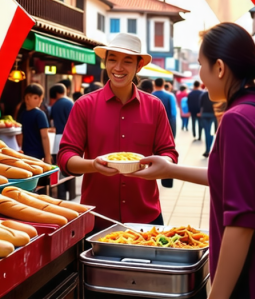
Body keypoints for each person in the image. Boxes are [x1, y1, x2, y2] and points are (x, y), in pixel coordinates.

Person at [130, 23, 255, 299]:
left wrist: (218, 295)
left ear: (220, 68)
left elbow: (241, 222)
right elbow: (229, 177)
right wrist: (170, 170)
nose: (200, 74)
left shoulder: (238, 120)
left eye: (202, 65)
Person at [58, 33, 178, 230]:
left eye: (127, 61)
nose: (118, 68)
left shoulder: (155, 106)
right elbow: (65, 157)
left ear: (139, 66)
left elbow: (169, 153)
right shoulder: (84, 105)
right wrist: (94, 165)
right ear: (105, 63)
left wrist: (162, 164)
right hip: (97, 216)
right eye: (112, 59)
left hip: (146, 216)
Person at [16, 84, 51, 164]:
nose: (40, 100)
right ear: (27, 98)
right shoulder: (25, 114)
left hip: (35, 155)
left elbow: (45, 136)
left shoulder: (39, 114)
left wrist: (47, 157)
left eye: (41, 98)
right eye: (36, 98)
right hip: (28, 155)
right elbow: (44, 136)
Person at [49, 84, 73, 157]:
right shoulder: (70, 103)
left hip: (58, 136)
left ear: (56, 93)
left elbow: (52, 120)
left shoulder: (54, 105)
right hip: (69, 136)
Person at [199, 90, 216, 157]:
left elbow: (200, 105)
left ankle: (207, 150)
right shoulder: (215, 94)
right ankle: (210, 149)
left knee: (207, 132)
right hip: (213, 115)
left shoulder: (203, 94)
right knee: (211, 132)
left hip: (205, 114)